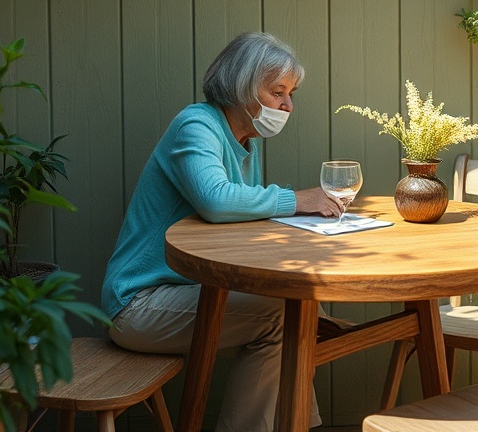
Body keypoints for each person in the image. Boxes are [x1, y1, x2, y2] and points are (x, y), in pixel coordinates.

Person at [102, 32, 340, 432]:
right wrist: (296, 200)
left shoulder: (246, 140)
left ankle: (293, 425)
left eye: (291, 93)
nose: (288, 105)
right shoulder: (196, 124)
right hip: (139, 304)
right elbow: (216, 200)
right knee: (284, 315)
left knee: (296, 308)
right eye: (277, 91)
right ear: (243, 87)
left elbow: (240, 219)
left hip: (189, 293)